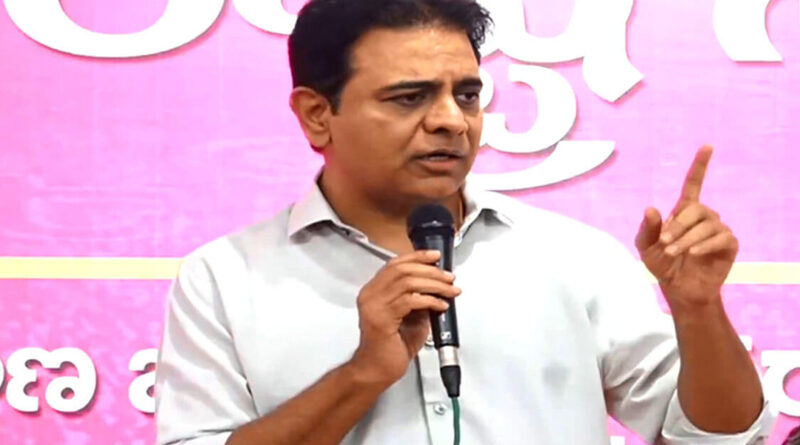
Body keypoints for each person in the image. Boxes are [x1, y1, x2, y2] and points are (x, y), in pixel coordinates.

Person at [154, 0, 776, 444]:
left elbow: (721, 437)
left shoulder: (572, 256)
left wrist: (699, 311)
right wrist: (360, 376)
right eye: (411, 97)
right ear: (317, 115)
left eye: (468, 94)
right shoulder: (225, 278)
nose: (452, 120)